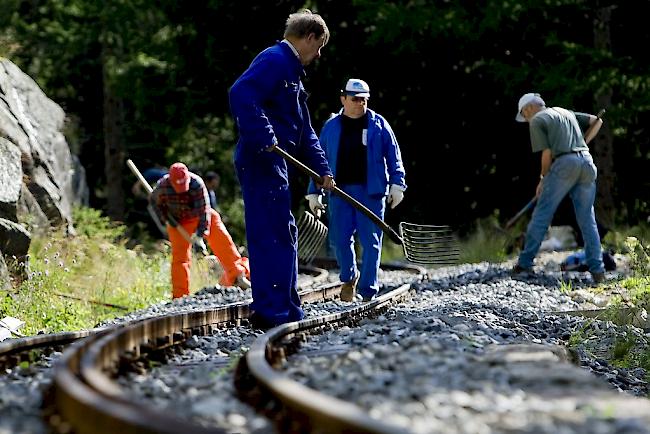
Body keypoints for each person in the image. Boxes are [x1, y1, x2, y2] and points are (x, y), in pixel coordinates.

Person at [229, 9, 335, 329]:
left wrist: (322, 170)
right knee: (270, 234)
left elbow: (304, 130)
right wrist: (265, 137)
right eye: (319, 48)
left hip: (276, 162)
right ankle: (271, 311)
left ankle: (286, 308)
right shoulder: (274, 60)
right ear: (310, 37)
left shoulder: (291, 72)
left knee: (283, 232)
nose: (317, 55)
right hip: (262, 159)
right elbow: (241, 94)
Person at [306, 78, 407, 302]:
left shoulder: (379, 125)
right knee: (339, 240)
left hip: (371, 192)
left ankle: (368, 291)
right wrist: (314, 191)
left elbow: (394, 156)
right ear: (343, 98)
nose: (360, 103)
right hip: (339, 192)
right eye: (355, 99)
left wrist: (398, 184)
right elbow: (319, 160)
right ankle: (349, 276)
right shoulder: (331, 127)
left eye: (364, 100)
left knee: (371, 241)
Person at [512, 93, 605, 283]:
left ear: (529, 108)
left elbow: (546, 154)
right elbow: (597, 121)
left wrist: (543, 179)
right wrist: (582, 145)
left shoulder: (538, 120)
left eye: (524, 114)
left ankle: (524, 263)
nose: (526, 119)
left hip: (564, 165)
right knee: (588, 219)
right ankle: (598, 271)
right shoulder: (565, 112)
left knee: (542, 214)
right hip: (587, 162)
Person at [150, 162, 251, 299]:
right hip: (178, 222)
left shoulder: (197, 184)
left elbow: (204, 212)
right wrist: (165, 219)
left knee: (223, 242)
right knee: (180, 259)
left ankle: (238, 276)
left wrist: (200, 235)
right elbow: (153, 201)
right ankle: (180, 296)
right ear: (171, 180)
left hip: (199, 217)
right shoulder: (162, 186)